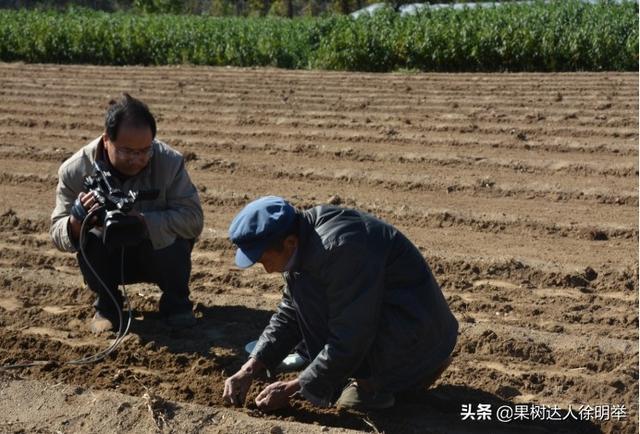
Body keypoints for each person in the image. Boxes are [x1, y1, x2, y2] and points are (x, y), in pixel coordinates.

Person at [223, 196, 458, 411]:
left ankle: (383, 383)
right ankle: (374, 375)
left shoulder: (339, 250)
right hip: (388, 320)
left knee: (348, 404)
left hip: (420, 333)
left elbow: (351, 334)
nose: (266, 269)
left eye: (264, 260)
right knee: (308, 298)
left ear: (289, 242)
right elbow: (290, 312)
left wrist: (296, 387)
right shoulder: (302, 240)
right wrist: (250, 368)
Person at [50, 94, 203, 333]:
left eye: (145, 151)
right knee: (87, 239)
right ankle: (108, 306)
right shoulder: (75, 170)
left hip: (155, 253)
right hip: (107, 253)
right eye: (127, 152)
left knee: (174, 234)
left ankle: (177, 302)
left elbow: (193, 220)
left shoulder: (169, 162)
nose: (137, 159)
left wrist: (144, 222)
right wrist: (76, 221)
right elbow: (57, 234)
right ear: (106, 140)